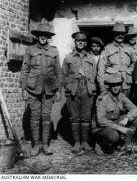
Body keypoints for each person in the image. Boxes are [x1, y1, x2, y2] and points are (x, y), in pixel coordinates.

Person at [21, 23, 62, 156]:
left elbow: (58, 71)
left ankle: (45, 145)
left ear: (49, 37)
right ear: (38, 36)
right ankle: (35, 145)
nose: (43, 37)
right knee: (34, 117)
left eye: (46, 35)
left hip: (49, 89)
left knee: (46, 116)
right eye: (41, 34)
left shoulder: (54, 51)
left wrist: (59, 90)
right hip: (33, 88)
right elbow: (25, 70)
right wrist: (23, 88)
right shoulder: (30, 50)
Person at [62, 31, 97, 153]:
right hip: (73, 89)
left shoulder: (91, 58)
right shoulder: (68, 57)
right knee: (75, 117)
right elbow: (64, 75)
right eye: (78, 41)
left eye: (82, 41)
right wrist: (70, 85)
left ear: (86, 43)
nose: (80, 42)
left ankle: (85, 142)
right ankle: (76, 143)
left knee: (86, 117)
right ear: (75, 42)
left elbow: (94, 73)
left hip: (87, 89)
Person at [92, 74, 137, 154]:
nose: (116, 88)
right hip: (100, 128)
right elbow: (101, 121)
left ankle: (126, 144)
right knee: (114, 137)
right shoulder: (103, 98)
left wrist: (127, 118)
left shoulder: (121, 96)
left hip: (113, 125)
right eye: (113, 85)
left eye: (118, 85)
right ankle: (99, 143)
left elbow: (136, 109)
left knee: (136, 117)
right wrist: (120, 128)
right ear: (109, 86)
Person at [98, 22, 136, 97]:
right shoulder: (107, 48)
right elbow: (101, 68)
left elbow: (135, 62)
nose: (120, 36)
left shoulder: (129, 48)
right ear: (113, 34)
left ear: (125, 35)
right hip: (110, 83)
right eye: (117, 33)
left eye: (122, 34)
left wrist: (129, 70)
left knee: (125, 105)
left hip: (125, 83)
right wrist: (101, 85)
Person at [125, 26, 137, 102]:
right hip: (127, 79)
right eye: (130, 36)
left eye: (134, 36)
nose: (132, 38)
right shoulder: (124, 48)